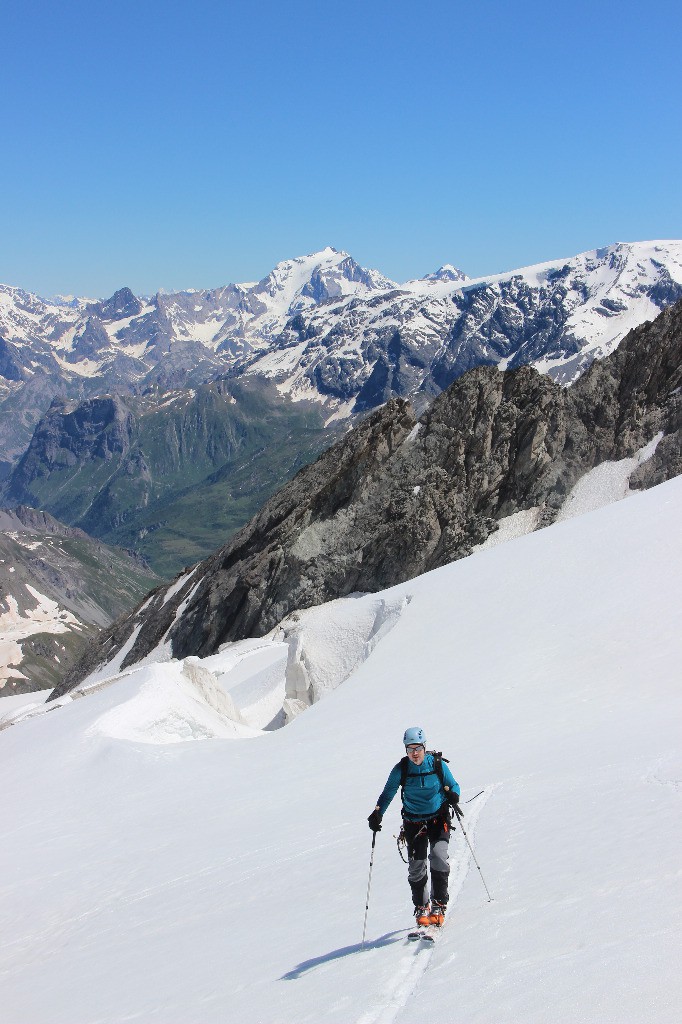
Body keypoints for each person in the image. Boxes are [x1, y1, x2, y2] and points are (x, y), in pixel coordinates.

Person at [367, 727, 460, 927]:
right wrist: (377, 814)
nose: (415, 753)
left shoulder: (436, 765)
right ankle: (421, 906)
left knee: (439, 857)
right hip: (413, 822)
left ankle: (438, 903)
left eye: (418, 748)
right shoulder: (401, 769)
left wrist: (454, 795)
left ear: (424, 747)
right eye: (410, 749)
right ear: (406, 750)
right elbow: (387, 794)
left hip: (438, 818)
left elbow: (454, 785)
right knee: (416, 867)